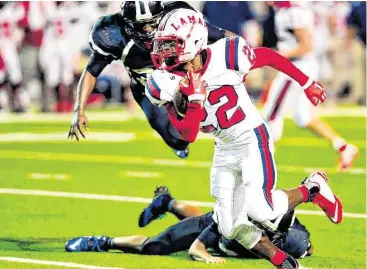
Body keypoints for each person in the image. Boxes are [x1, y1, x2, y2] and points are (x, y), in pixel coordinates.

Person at [145, 8, 342, 268]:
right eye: (164, 44)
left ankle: (312, 188)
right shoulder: (165, 81)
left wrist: (306, 83)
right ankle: (285, 262)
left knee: (263, 210)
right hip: (224, 147)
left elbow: (269, 56)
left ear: (194, 40)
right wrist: (194, 103)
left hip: (251, 137)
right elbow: (187, 135)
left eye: (173, 44)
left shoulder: (226, 55)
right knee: (231, 227)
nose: (165, 52)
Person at [67, 1, 234, 159]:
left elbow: (219, 35)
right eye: (141, 26)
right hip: (148, 89)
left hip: (183, 76)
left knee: (217, 107)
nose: (148, 30)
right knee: (179, 140)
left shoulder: (176, 18)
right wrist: (78, 110)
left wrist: (245, 50)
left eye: (152, 23)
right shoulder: (112, 34)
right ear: (127, 23)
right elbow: (91, 71)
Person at [65, 186, 312, 262]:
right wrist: (206, 256)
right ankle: (101, 242)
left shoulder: (294, 237)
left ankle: (167, 202)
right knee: (156, 246)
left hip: (224, 222)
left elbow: (306, 247)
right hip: (214, 224)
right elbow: (196, 247)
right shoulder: (232, 222)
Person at [262, 1, 358, 172]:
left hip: (296, 67)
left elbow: (306, 46)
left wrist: (277, 56)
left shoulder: (294, 12)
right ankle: (344, 147)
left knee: (272, 113)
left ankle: (264, 164)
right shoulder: (284, 10)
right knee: (303, 117)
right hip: (299, 65)